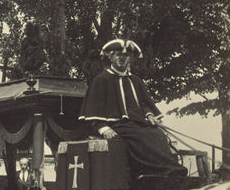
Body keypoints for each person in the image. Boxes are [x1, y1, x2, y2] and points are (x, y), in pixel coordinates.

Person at [79, 38, 187, 179]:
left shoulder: (135, 80)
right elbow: (93, 109)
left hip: (137, 123)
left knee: (158, 134)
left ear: (130, 58)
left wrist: (149, 115)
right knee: (140, 136)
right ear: (110, 57)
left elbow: (143, 104)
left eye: (125, 56)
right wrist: (104, 128)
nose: (122, 58)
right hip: (116, 125)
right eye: (118, 55)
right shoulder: (102, 80)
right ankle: (164, 171)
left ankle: (165, 173)